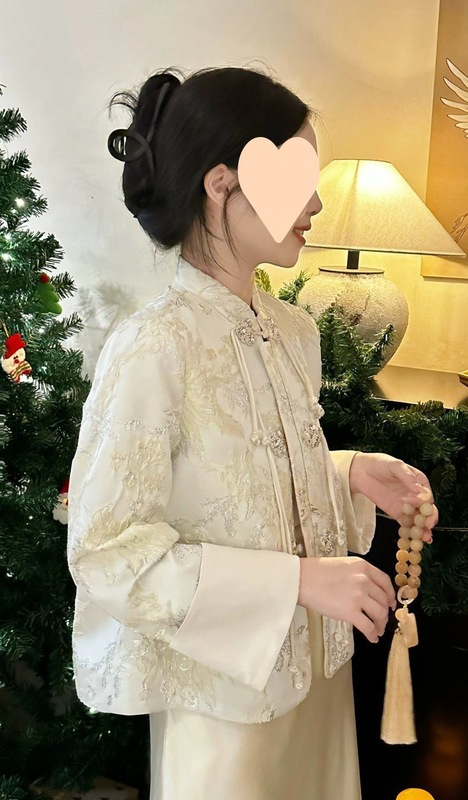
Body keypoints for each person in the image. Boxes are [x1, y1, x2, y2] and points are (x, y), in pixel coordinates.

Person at [67, 65, 438, 800]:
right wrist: (297, 581)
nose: (316, 201)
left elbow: (236, 478)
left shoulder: (294, 332)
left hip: (318, 686)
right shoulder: (151, 348)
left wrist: (349, 472)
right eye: (297, 176)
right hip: (223, 703)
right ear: (222, 183)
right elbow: (108, 552)